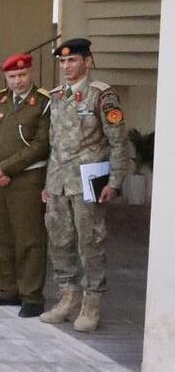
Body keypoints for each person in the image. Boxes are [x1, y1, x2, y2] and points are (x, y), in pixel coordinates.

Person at [40, 38, 134, 331]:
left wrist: (115, 182)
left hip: (88, 180)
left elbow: (118, 142)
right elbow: (54, 144)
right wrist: (48, 183)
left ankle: (91, 302)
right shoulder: (56, 96)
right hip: (59, 181)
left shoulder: (102, 96)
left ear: (87, 61)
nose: (66, 66)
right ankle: (68, 297)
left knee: (90, 241)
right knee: (59, 240)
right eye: (62, 61)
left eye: (72, 60)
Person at [0, 53, 51, 318]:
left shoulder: (43, 102)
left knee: (29, 238)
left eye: (22, 75)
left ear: (30, 73)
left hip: (27, 179)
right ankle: (7, 289)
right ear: (5, 78)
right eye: (12, 76)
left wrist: (5, 168)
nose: (17, 81)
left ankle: (31, 296)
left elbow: (41, 145)